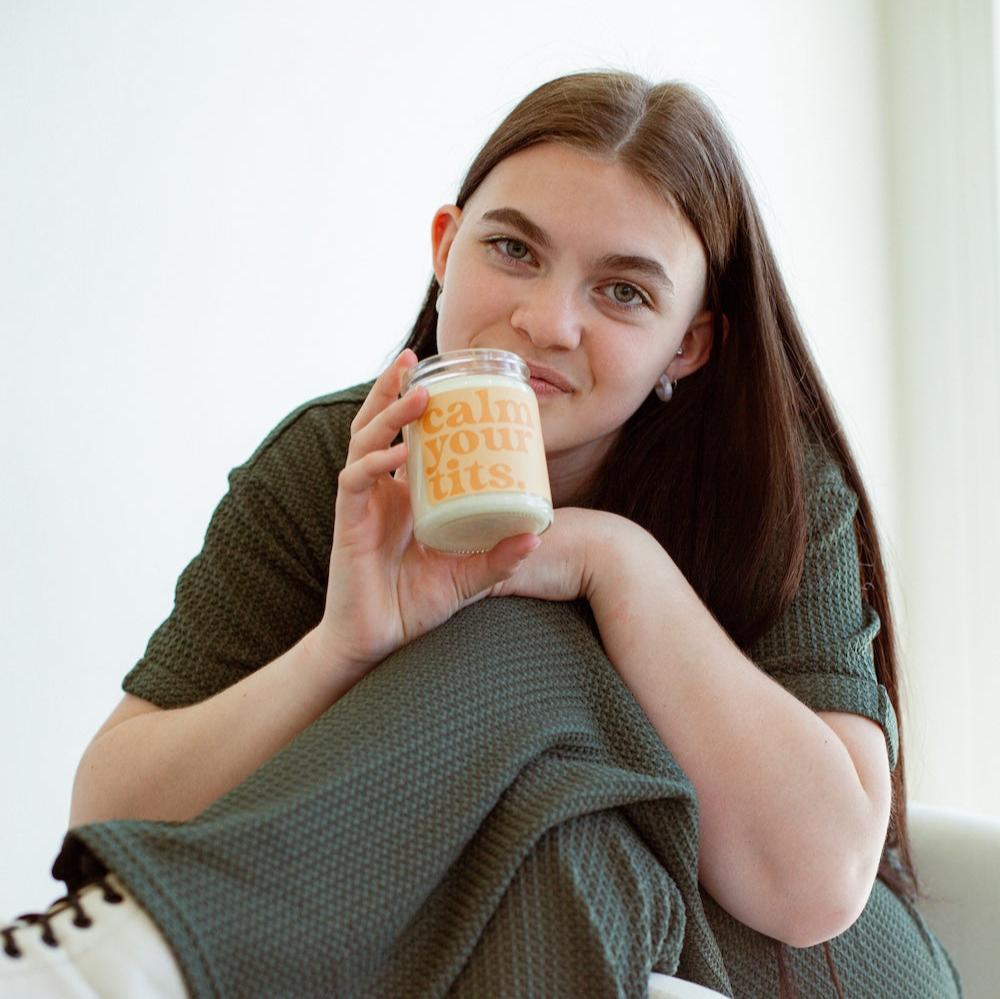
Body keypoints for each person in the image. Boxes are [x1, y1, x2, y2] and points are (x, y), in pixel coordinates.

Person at [2, 70, 961, 998]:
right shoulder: (340, 467)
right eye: (513, 250)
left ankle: (158, 956)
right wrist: (345, 647)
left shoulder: (774, 488)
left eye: (624, 293)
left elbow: (818, 886)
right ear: (445, 246)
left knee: (512, 628)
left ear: (690, 342)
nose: (546, 320)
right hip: (554, 915)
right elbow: (112, 816)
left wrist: (614, 565)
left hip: (809, 967)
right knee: (557, 841)